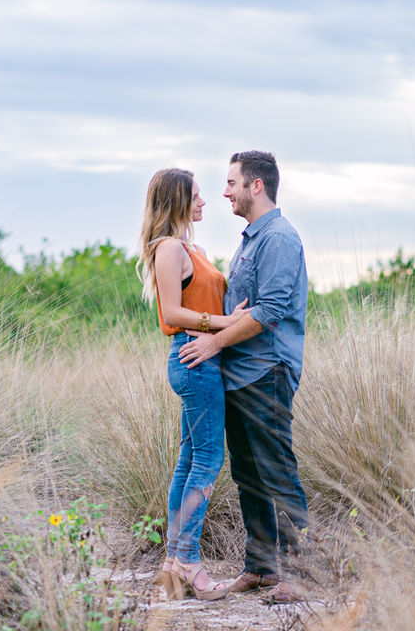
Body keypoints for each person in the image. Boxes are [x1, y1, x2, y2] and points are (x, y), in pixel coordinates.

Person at [178, 151, 310, 605]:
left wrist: (214, 343)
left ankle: (304, 573)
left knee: (277, 468)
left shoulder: (279, 239)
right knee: (249, 474)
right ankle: (261, 569)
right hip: (239, 374)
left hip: (266, 370)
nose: (225, 191)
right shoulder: (251, 240)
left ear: (256, 186)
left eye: (232, 182)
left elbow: (271, 311)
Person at [138, 168, 250, 601]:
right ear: (178, 201)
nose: (206, 202)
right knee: (207, 459)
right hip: (192, 357)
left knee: (189, 461)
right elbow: (173, 313)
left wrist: (228, 311)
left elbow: (200, 298)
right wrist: (226, 322)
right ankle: (187, 561)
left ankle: (173, 562)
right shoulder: (167, 248)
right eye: (197, 196)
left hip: (206, 358)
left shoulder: (193, 248)